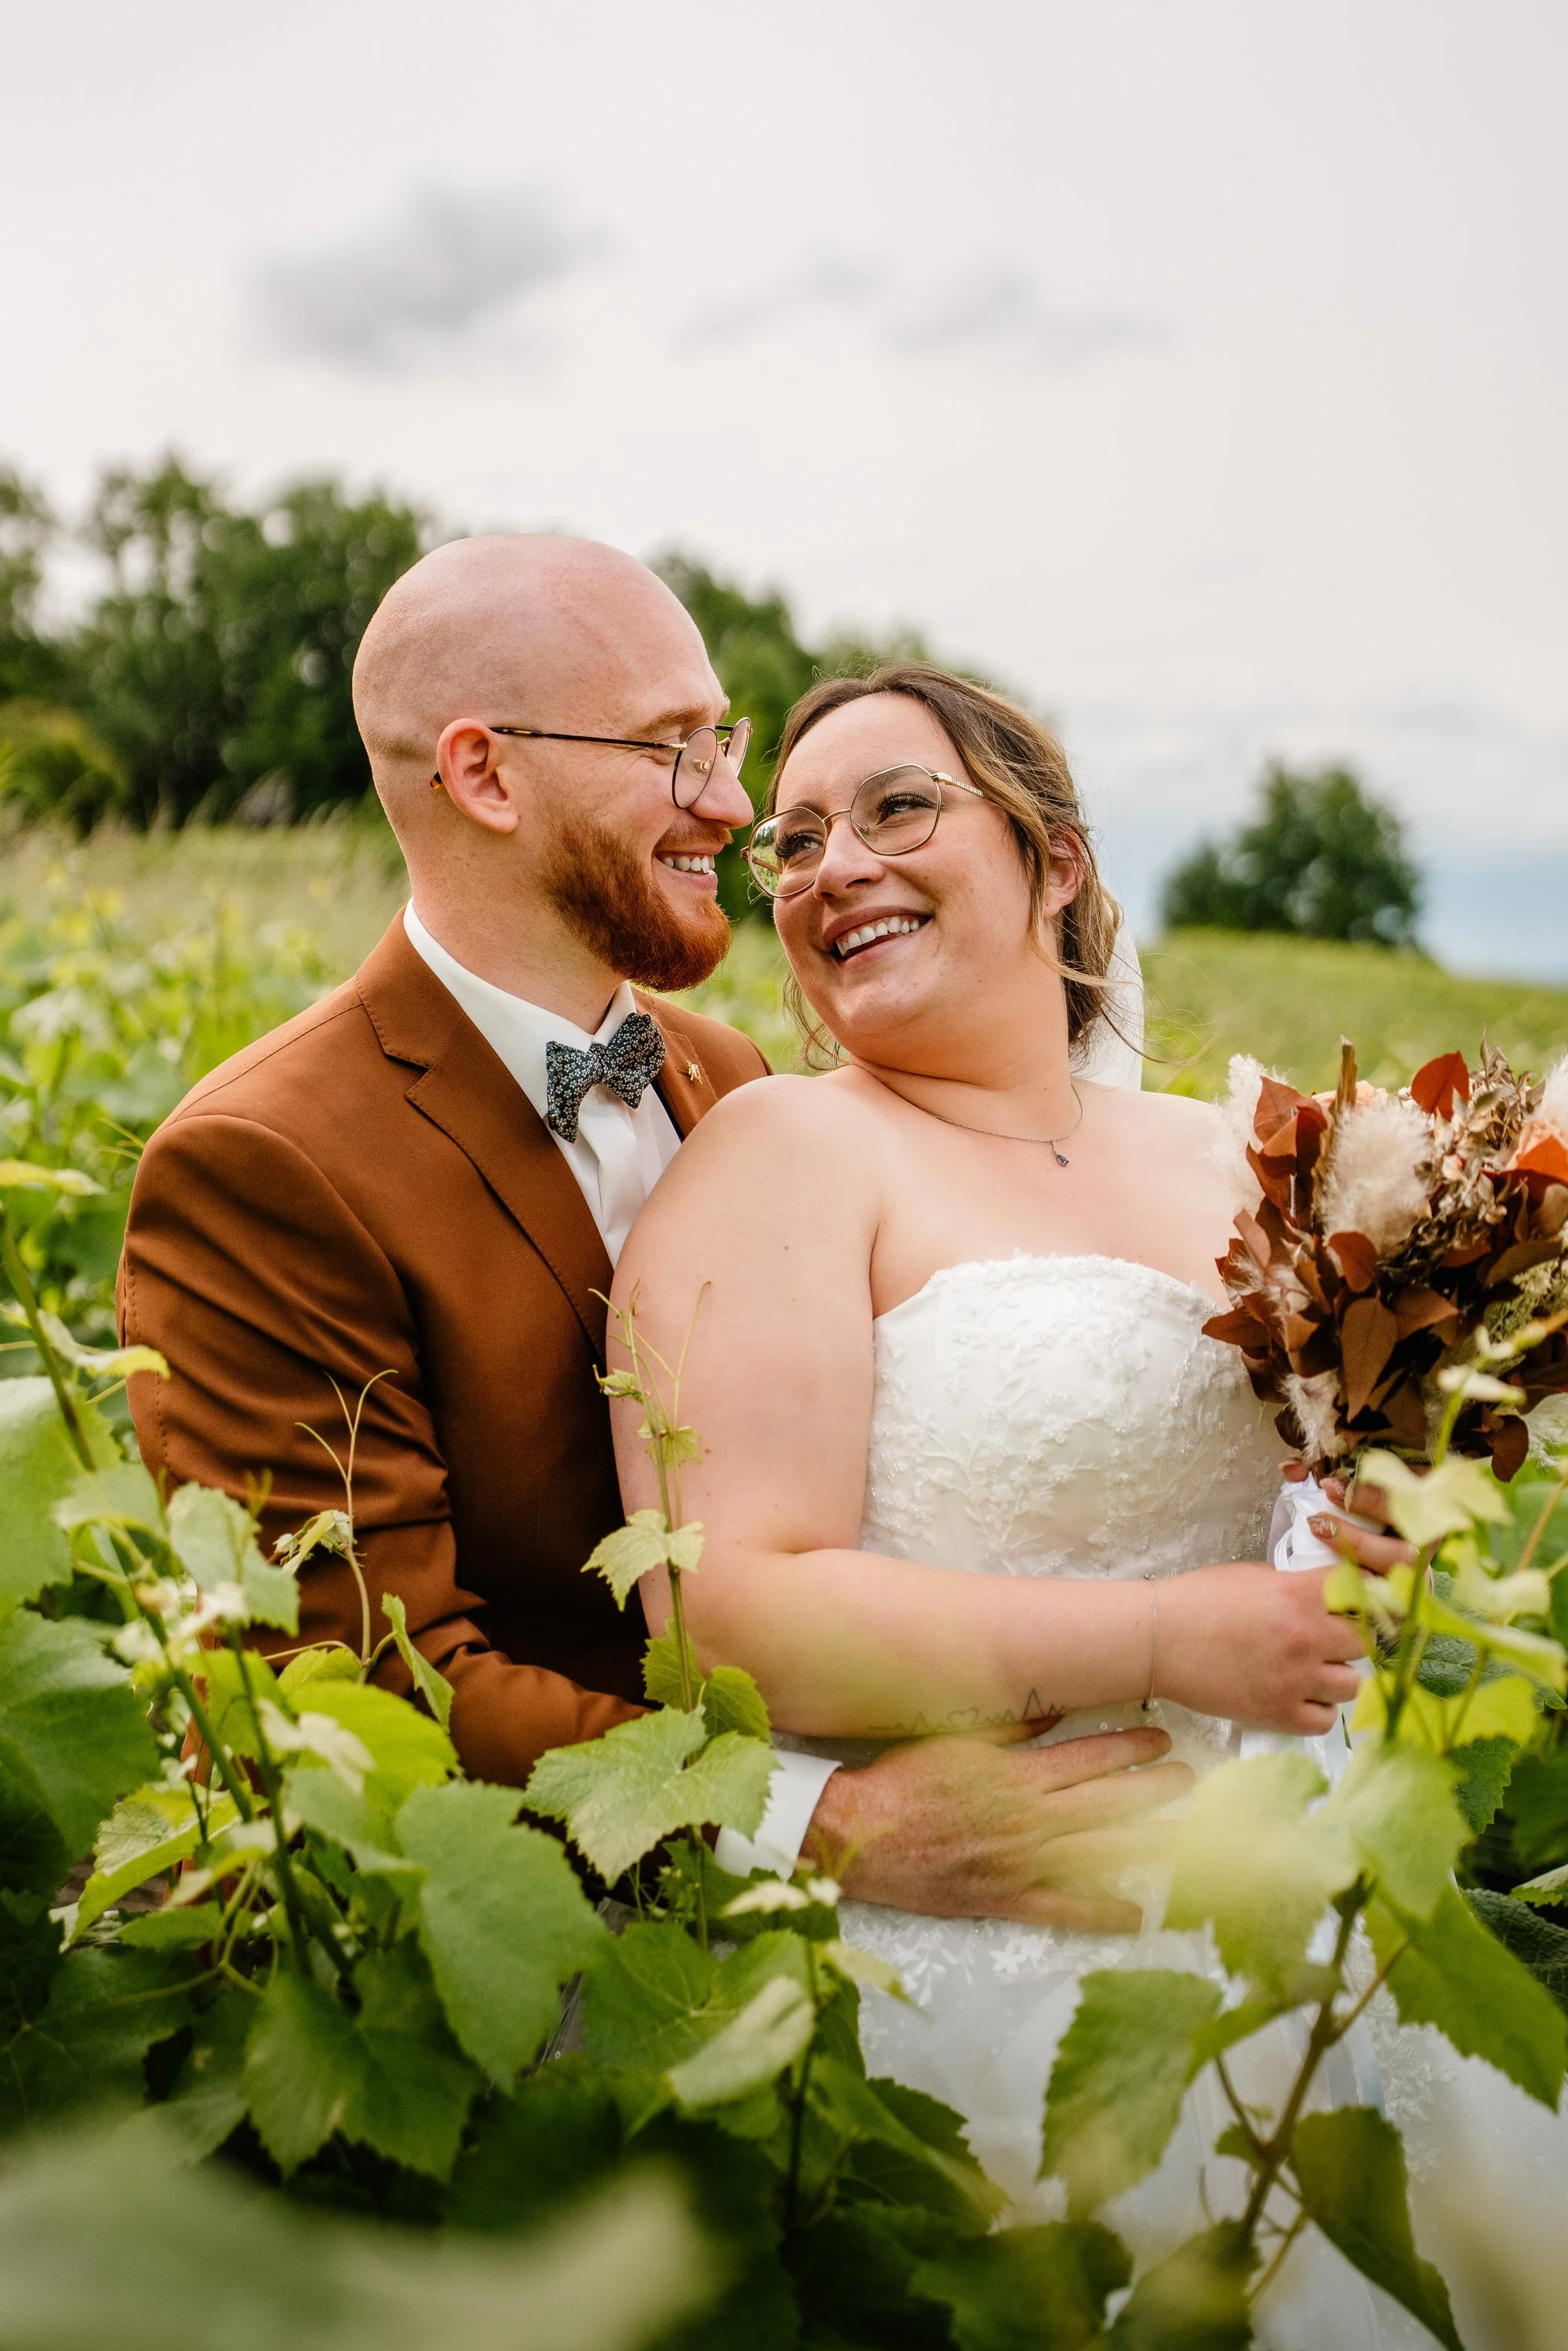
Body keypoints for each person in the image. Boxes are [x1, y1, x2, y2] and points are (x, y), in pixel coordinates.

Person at [609, 663, 1568, 2347]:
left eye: (896, 807)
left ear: (1057, 859)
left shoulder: (1236, 1152)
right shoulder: (784, 1154)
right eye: (791, 841)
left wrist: (1371, 1525)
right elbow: (724, 1611)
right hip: (1007, 1945)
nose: (829, 866)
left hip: (1307, 1913)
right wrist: (1172, 1634)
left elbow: (1312, 1477)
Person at [118, 535, 1229, 1924]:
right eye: (673, 748)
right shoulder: (266, 1163)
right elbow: (345, 1682)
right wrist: (814, 1825)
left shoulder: (734, 1077)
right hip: (540, 1936)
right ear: (484, 775)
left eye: (725, 740)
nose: (729, 802)